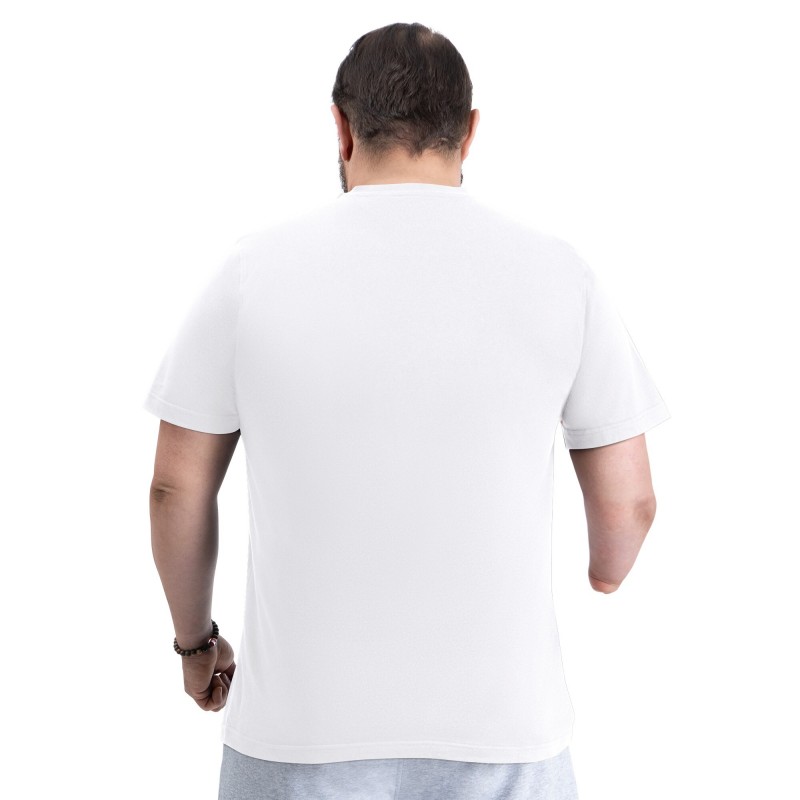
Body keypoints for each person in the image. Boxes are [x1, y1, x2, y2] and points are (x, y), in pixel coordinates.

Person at [144, 21, 670, 800]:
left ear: (341, 127)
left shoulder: (253, 272)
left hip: (298, 734)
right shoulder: (559, 273)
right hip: (504, 733)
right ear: (470, 131)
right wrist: (607, 573)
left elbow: (175, 489)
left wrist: (196, 645)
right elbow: (629, 504)